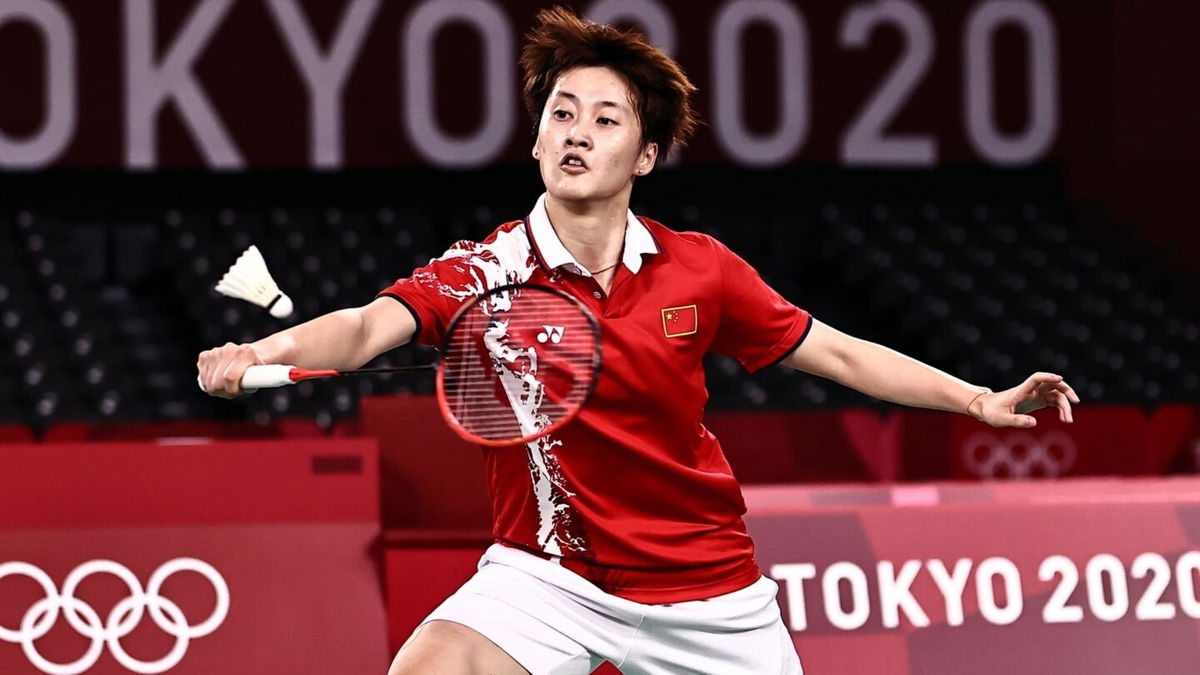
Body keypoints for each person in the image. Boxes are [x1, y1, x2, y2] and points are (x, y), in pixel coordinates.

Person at [197, 7, 1079, 674]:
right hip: (551, 576)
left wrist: (976, 397)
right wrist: (258, 355)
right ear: (537, 133)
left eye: (605, 119)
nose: (576, 131)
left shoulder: (702, 271)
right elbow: (360, 331)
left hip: (712, 591)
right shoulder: (485, 271)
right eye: (561, 112)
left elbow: (837, 351)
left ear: (647, 155)